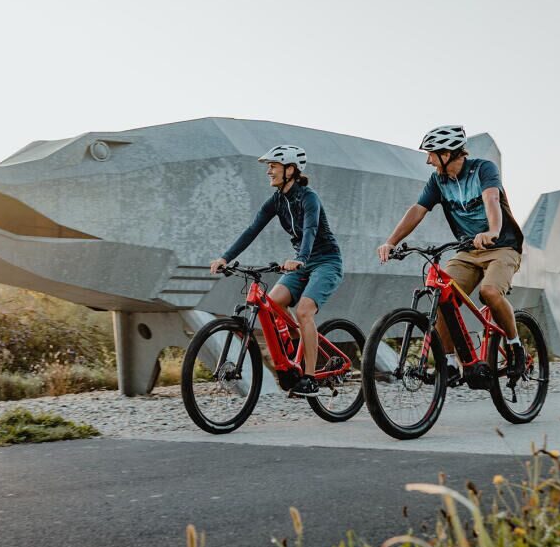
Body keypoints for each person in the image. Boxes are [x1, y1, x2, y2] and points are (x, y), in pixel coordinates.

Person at [376, 125, 524, 384]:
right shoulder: (438, 181)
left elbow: (491, 199)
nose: (428, 159)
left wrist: (493, 231)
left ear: (448, 153)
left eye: (432, 153)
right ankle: (451, 363)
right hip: (468, 251)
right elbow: (417, 210)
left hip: (502, 247)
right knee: (441, 293)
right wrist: (391, 241)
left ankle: (515, 346)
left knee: (489, 293)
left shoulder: (483, 169)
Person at [210, 145, 343, 397]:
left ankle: (311, 378)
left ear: (290, 170)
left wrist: (301, 258)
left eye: (273, 166)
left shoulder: (308, 198)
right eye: (269, 167)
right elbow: (252, 230)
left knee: (304, 311)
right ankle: (296, 355)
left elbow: (311, 229)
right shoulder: (277, 201)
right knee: (272, 305)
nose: (268, 171)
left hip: (326, 261)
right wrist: (225, 257)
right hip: (301, 262)